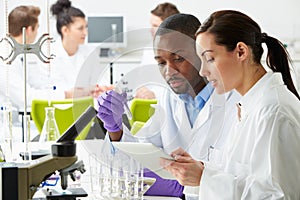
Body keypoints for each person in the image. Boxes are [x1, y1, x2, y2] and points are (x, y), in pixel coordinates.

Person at [97, 13, 240, 199]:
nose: (169, 71)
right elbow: (140, 160)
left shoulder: (234, 102)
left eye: (178, 58)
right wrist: (115, 129)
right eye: (161, 62)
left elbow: (248, 180)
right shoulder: (167, 99)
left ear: (201, 53)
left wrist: (201, 180)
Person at [161, 10, 300, 199]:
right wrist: (200, 170)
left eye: (209, 59)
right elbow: (242, 178)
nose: (203, 71)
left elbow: (279, 196)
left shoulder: (274, 111)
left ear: (241, 52)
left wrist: (204, 179)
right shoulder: (248, 106)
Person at [0, 5, 63, 111]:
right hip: (7, 121)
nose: (37, 33)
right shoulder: (4, 57)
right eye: (37, 28)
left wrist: (60, 90)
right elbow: (25, 97)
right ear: (29, 30)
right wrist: (63, 95)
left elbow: (38, 82)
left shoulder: (25, 52)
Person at [50, 0, 112, 99]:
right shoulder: (50, 55)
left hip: (88, 107)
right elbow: (54, 91)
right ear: (65, 30)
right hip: (60, 108)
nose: (85, 33)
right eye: (80, 28)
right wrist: (84, 91)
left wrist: (103, 88)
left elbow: (101, 80)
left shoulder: (90, 53)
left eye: (86, 27)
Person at [136, 2, 180, 99]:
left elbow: (181, 89)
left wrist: (155, 95)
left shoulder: (181, 54)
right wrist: (140, 90)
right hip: (147, 104)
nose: (151, 29)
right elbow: (141, 80)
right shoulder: (148, 51)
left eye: (155, 25)